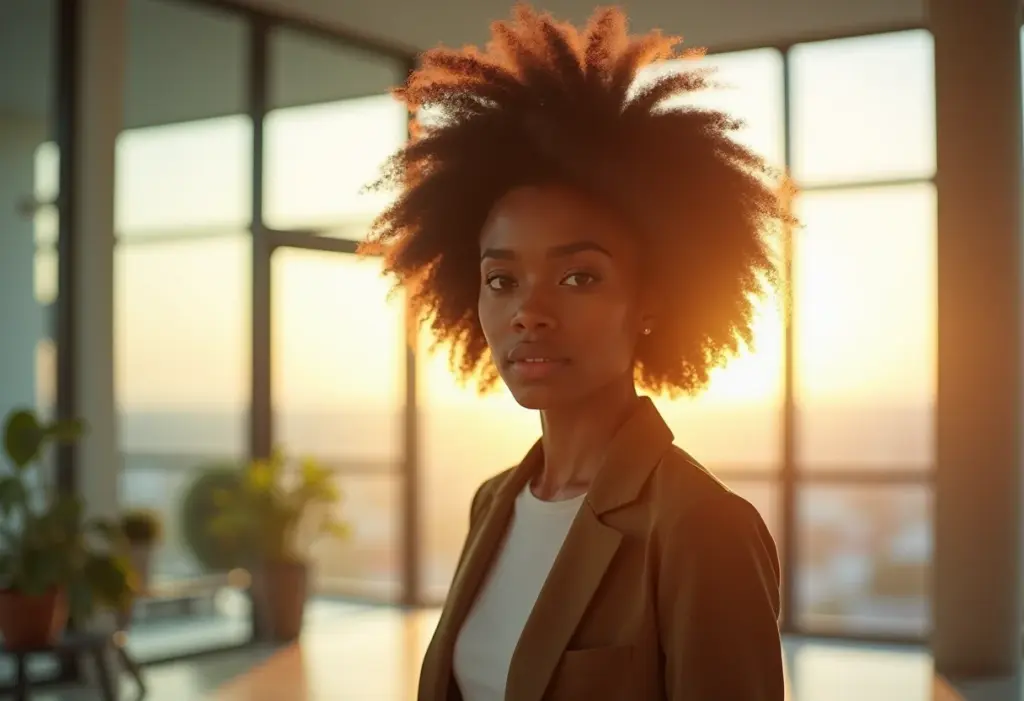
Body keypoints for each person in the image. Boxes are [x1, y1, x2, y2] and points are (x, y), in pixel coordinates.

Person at [361, 4, 790, 700]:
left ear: (652, 300)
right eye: (502, 280)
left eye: (578, 276)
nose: (529, 312)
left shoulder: (702, 529)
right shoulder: (492, 502)